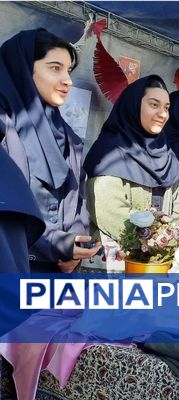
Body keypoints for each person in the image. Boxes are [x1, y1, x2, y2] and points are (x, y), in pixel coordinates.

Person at [0, 29, 100, 273]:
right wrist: (56, 245)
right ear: (23, 68)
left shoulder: (68, 136)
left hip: (58, 276)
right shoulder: (4, 127)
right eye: (55, 68)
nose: (68, 80)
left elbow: (77, 200)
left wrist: (75, 244)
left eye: (68, 70)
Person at [84, 75, 179, 250]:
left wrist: (167, 241)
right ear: (133, 106)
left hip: (163, 262)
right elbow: (110, 213)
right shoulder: (108, 153)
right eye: (154, 104)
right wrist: (153, 240)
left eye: (166, 107)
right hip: (118, 263)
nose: (163, 114)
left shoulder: (170, 158)